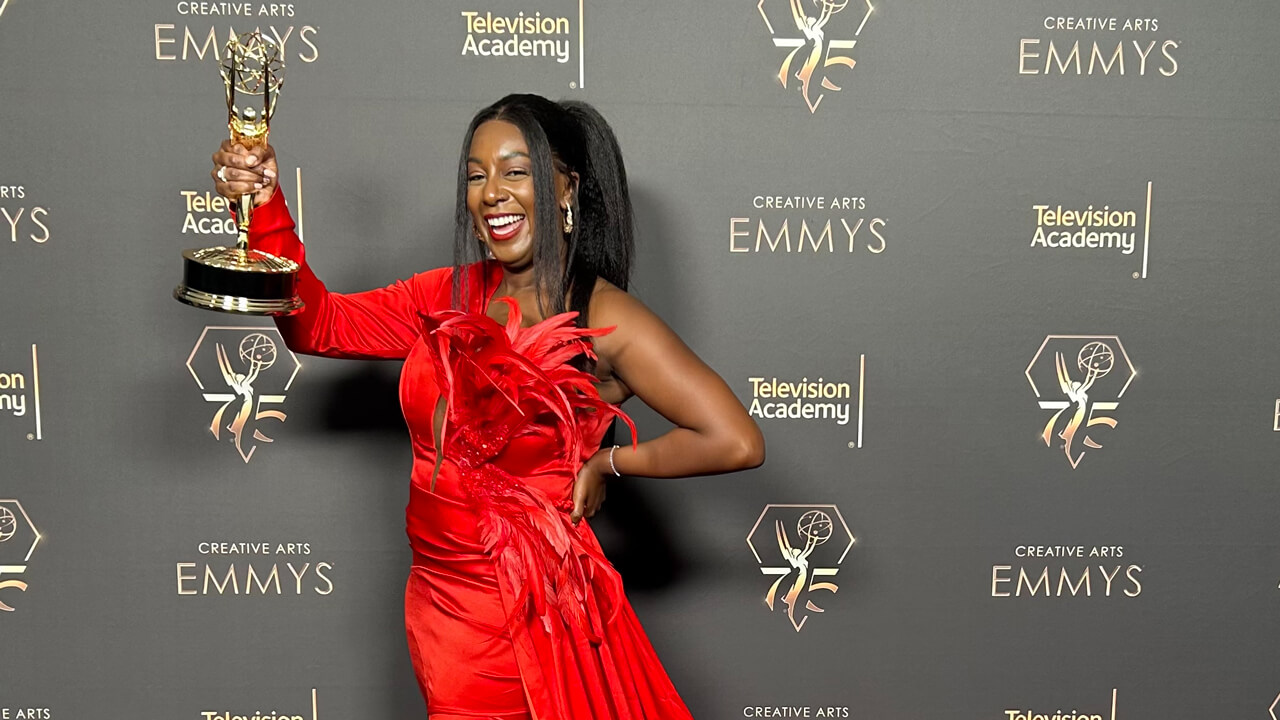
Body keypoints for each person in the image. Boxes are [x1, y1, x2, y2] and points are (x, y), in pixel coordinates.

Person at [211, 93, 765, 720]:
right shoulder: (447, 295)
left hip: (527, 614)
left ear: (566, 188)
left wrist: (608, 463)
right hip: (438, 604)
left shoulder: (604, 317)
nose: (492, 192)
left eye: (516, 170)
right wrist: (263, 207)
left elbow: (734, 440)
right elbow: (319, 325)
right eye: (476, 176)